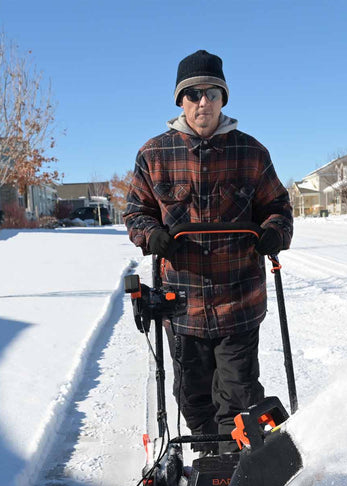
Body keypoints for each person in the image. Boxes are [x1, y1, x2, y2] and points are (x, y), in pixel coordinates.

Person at [124, 50, 293, 453]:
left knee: (238, 394)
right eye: (194, 93)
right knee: (191, 395)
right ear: (181, 100)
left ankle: (235, 469)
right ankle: (207, 455)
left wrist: (273, 232)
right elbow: (136, 212)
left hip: (239, 299)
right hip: (182, 304)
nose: (204, 102)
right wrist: (152, 235)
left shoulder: (251, 152)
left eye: (212, 93)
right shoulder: (154, 154)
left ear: (223, 99)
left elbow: (278, 208)